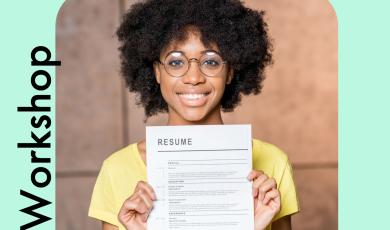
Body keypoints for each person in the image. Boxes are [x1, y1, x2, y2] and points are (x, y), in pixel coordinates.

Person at [88, 0, 300, 229]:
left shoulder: (273, 163)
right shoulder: (117, 169)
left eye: (210, 61)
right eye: (176, 62)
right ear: (157, 72)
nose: (193, 77)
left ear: (230, 72)